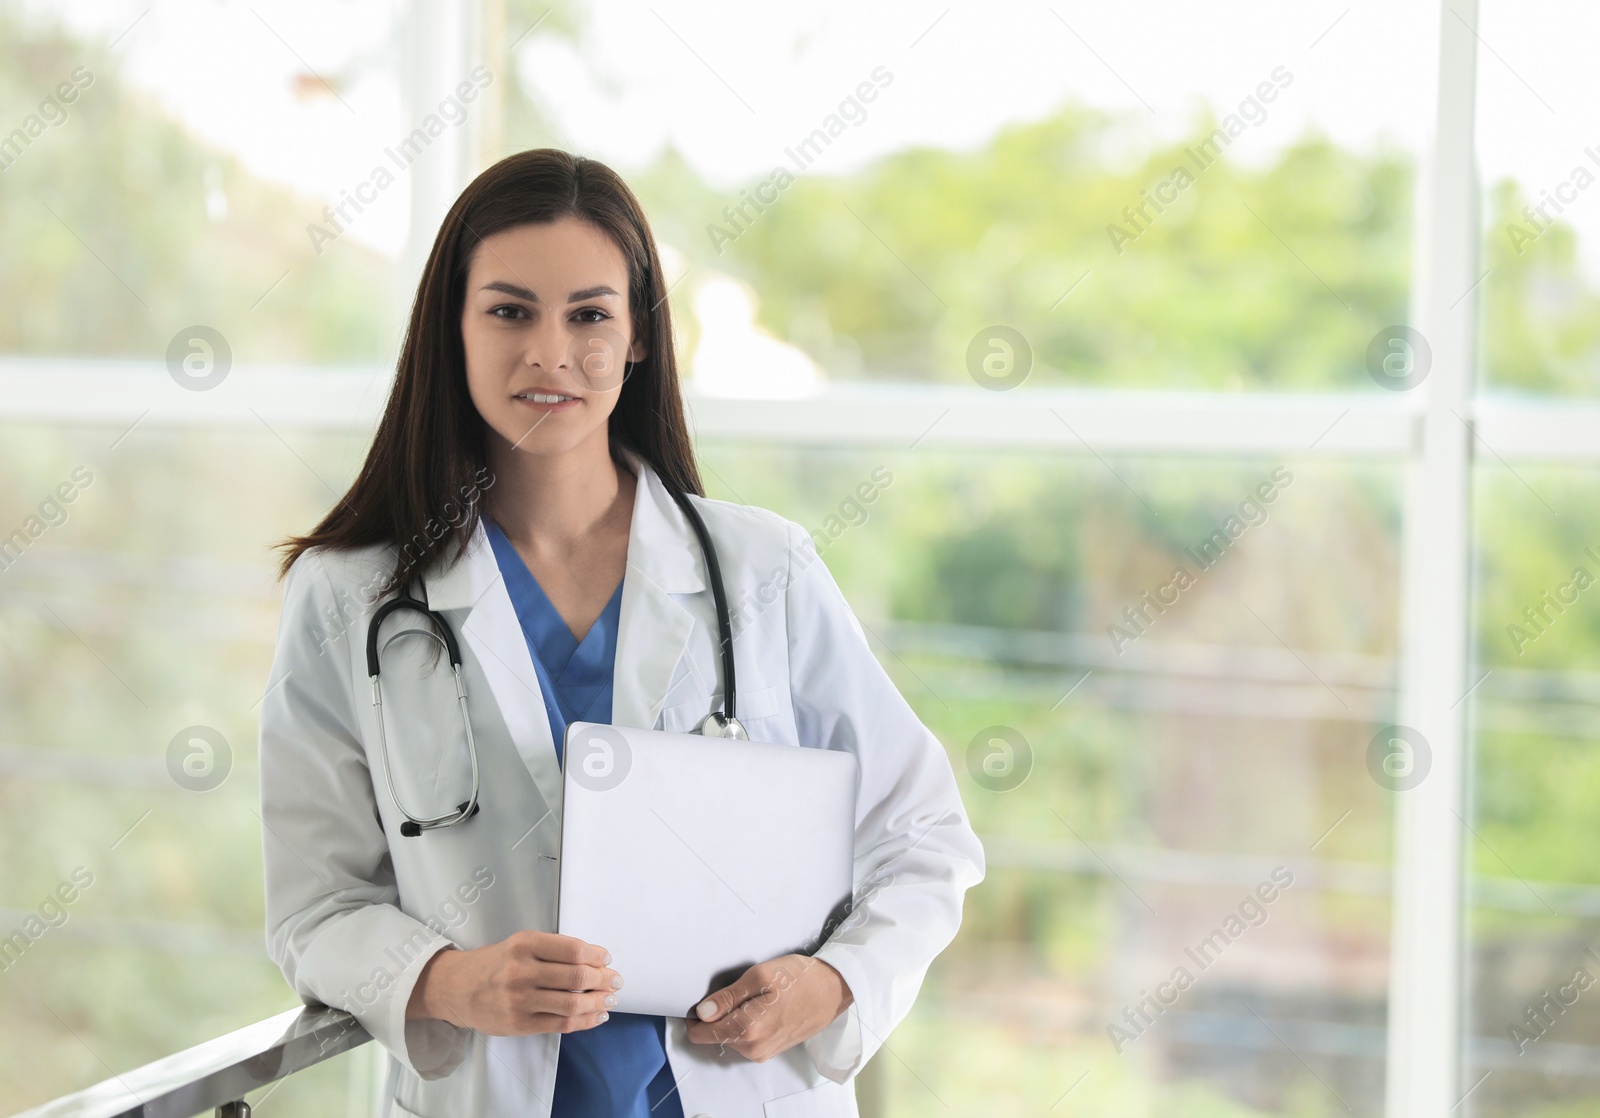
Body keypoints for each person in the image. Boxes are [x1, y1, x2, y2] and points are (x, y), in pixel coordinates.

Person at [259, 148, 984, 1118]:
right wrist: (452, 980)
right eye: (510, 311)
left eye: (589, 314)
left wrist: (836, 980)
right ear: (454, 330)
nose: (550, 353)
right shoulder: (347, 594)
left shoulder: (762, 571)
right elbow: (315, 906)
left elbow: (923, 831)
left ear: (638, 335)